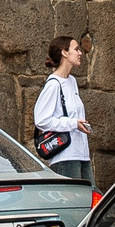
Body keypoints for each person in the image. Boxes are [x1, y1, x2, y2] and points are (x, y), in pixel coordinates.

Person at [32, 35, 93, 183]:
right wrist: (72, 123)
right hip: (65, 156)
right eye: (76, 49)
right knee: (73, 201)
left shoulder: (71, 81)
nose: (80, 53)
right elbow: (41, 120)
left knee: (91, 201)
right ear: (64, 53)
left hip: (81, 154)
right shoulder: (53, 84)